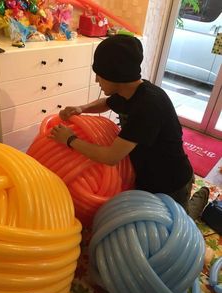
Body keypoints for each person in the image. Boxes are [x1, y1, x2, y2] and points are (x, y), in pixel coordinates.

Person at [49, 34, 209, 220]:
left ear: (115, 75)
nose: (96, 81)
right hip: (146, 178)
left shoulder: (149, 106)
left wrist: (70, 139)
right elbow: (107, 103)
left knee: (180, 225)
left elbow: (111, 157)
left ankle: (200, 198)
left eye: (100, 75)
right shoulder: (129, 91)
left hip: (172, 184)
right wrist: (81, 109)